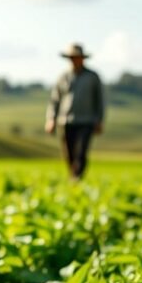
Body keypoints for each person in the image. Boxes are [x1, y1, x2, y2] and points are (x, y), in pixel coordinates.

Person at [45, 43, 105, 181]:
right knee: (69, 153)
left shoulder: (92, 77)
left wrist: (99, 120)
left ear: (83, 58)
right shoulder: (63, 77)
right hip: (65, 121)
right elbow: (55, 99)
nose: (74, 60)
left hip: (86, 120)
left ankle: (77, 177)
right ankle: (73, 175)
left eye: (77, 58)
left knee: (81, 151)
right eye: (72, 58)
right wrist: (50, 119)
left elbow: (99, 100)